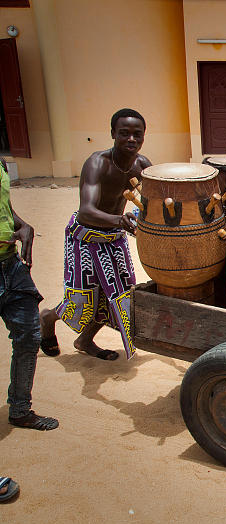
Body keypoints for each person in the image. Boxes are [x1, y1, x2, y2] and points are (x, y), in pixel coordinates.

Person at [39, 109, 151, 361]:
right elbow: (86, 211)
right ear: (113, 134)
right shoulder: (97, 163)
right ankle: (47, 318)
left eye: (137, 134)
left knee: (118, 295)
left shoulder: (142, 165)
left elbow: (154, 198)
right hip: (84, 237)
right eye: (124, 134)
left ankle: (84, 340)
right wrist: (119, 220)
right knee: (83, 298)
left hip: (113, 237)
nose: (131, 139)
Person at [0, 157, 58, 431]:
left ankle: (20, 409)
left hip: (10, 265)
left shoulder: (0, 164)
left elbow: (5, 209)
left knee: (28, 337)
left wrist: (21, 225)